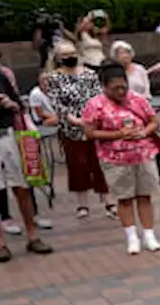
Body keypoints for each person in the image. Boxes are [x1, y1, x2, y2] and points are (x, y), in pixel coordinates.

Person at [0, 35, 52, 263]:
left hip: (6, 134)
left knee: (21, 185)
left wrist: (9, 104)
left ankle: (32, 234)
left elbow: (20, 105)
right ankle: (0, 242)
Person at [81, 63, 160, 255]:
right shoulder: (95, 105)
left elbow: (153, 121)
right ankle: (131, 236)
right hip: (115, 158)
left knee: (145, 195)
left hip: (142, 153)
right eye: (115, 88)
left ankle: (149, 234)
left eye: (123, 86)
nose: (120, 91)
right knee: (124, 197)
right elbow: (90, 133)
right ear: (105, 86)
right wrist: (118, 134)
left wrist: (143, 132)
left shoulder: (138, 100)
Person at [48, 39, 112, 220]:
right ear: (58, 58)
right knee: (78, 165)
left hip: (94, 125)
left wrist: (93, 118)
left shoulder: (90, 74)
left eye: (72, 53)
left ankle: (108, 201)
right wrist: (73, 120)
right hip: (71, 128)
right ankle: (82, 205)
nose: (70, 57)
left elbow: (99, 97)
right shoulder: (54, 78)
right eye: (65, 55)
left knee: (99, 163)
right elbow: (57, 103)